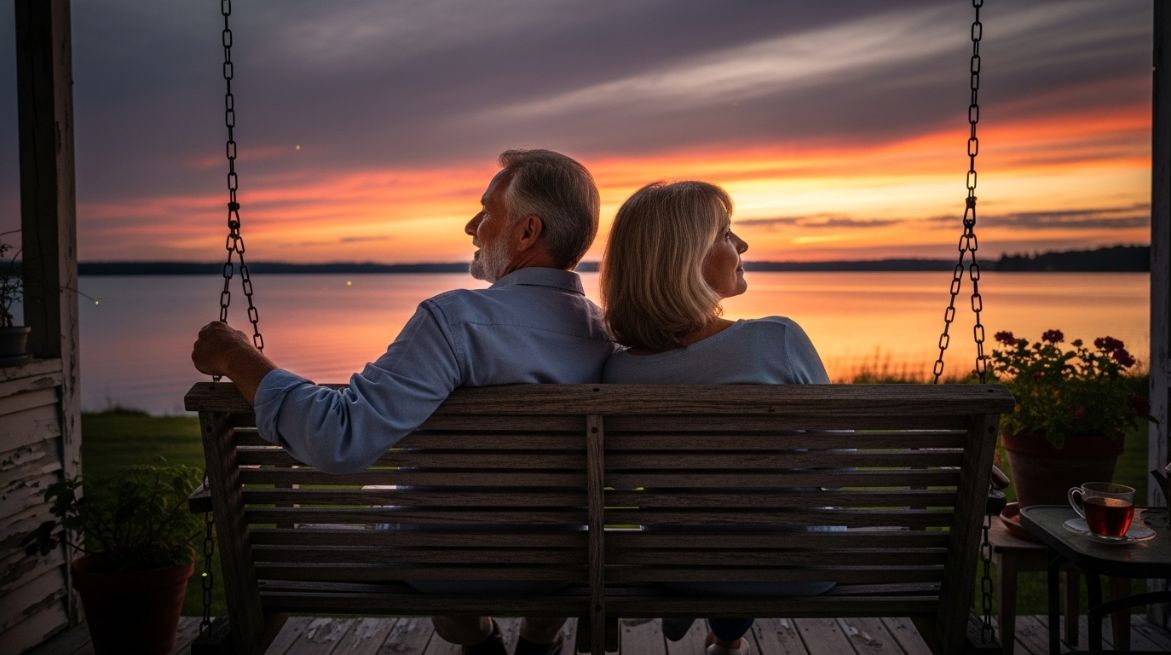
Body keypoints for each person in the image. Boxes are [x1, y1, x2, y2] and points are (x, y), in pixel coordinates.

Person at [192, 149, 613, 655]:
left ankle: (480, 644)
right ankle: (539, 641)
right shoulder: (609, 336)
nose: (471, 225)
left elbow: (340, 438)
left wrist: (237, 357)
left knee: (420, 534)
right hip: (563, 564)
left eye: (486, 210)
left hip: (441, 566)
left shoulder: (452, 322)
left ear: (526, 232)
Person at [600, 181, 836, 655]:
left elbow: (620, 482)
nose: (742, 245)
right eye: (726, 234)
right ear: (686, 257)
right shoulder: (777, 340)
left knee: (719, 528)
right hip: (801, 569)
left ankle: (717, 628)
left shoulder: (618, 371)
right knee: (761, 521)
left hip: (674, 568)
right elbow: (838, 459)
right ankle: (727, 640)